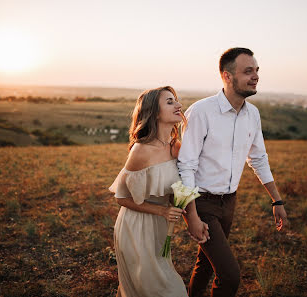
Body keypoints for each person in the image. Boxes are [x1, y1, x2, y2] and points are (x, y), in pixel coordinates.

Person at [177, 47, 289, 297]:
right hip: (201, 202)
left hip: (229, 202)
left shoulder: (253, 114)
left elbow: (258, 158)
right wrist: (192, 215)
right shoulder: (201, 111)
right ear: (227, 76)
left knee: (205, 264)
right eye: (248, 71)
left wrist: (277, 199)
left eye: (257, 70)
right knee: (229, 276)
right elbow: (186, 165)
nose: (256, 76)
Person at [109, 86, 189, 297]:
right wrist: (162, 211)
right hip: (136, 227)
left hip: (160, 228)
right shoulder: (141, 150)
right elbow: (121, 198)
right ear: (153, 112)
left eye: (176, 100)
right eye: (169, 102)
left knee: (149, 286)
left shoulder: (176, 146)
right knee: (164, 289)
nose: (178, 105)